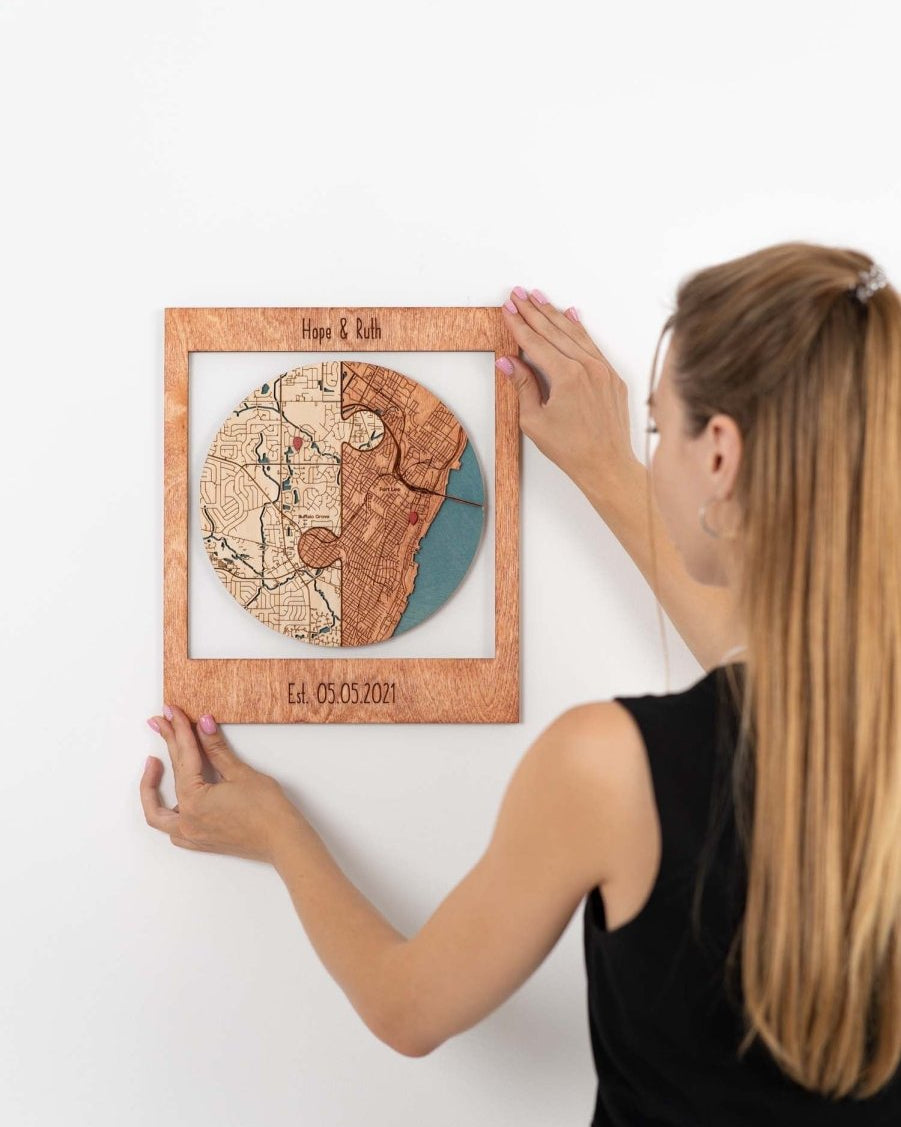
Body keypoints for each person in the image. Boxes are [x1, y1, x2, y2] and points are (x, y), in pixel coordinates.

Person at [140, 241, 901, 1124]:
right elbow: (775, 668)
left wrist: (273, 828)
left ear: (720, 454)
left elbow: (409, 1006)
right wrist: (606, 463)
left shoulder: (609, 768)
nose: (651, 457)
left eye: (659, 431)